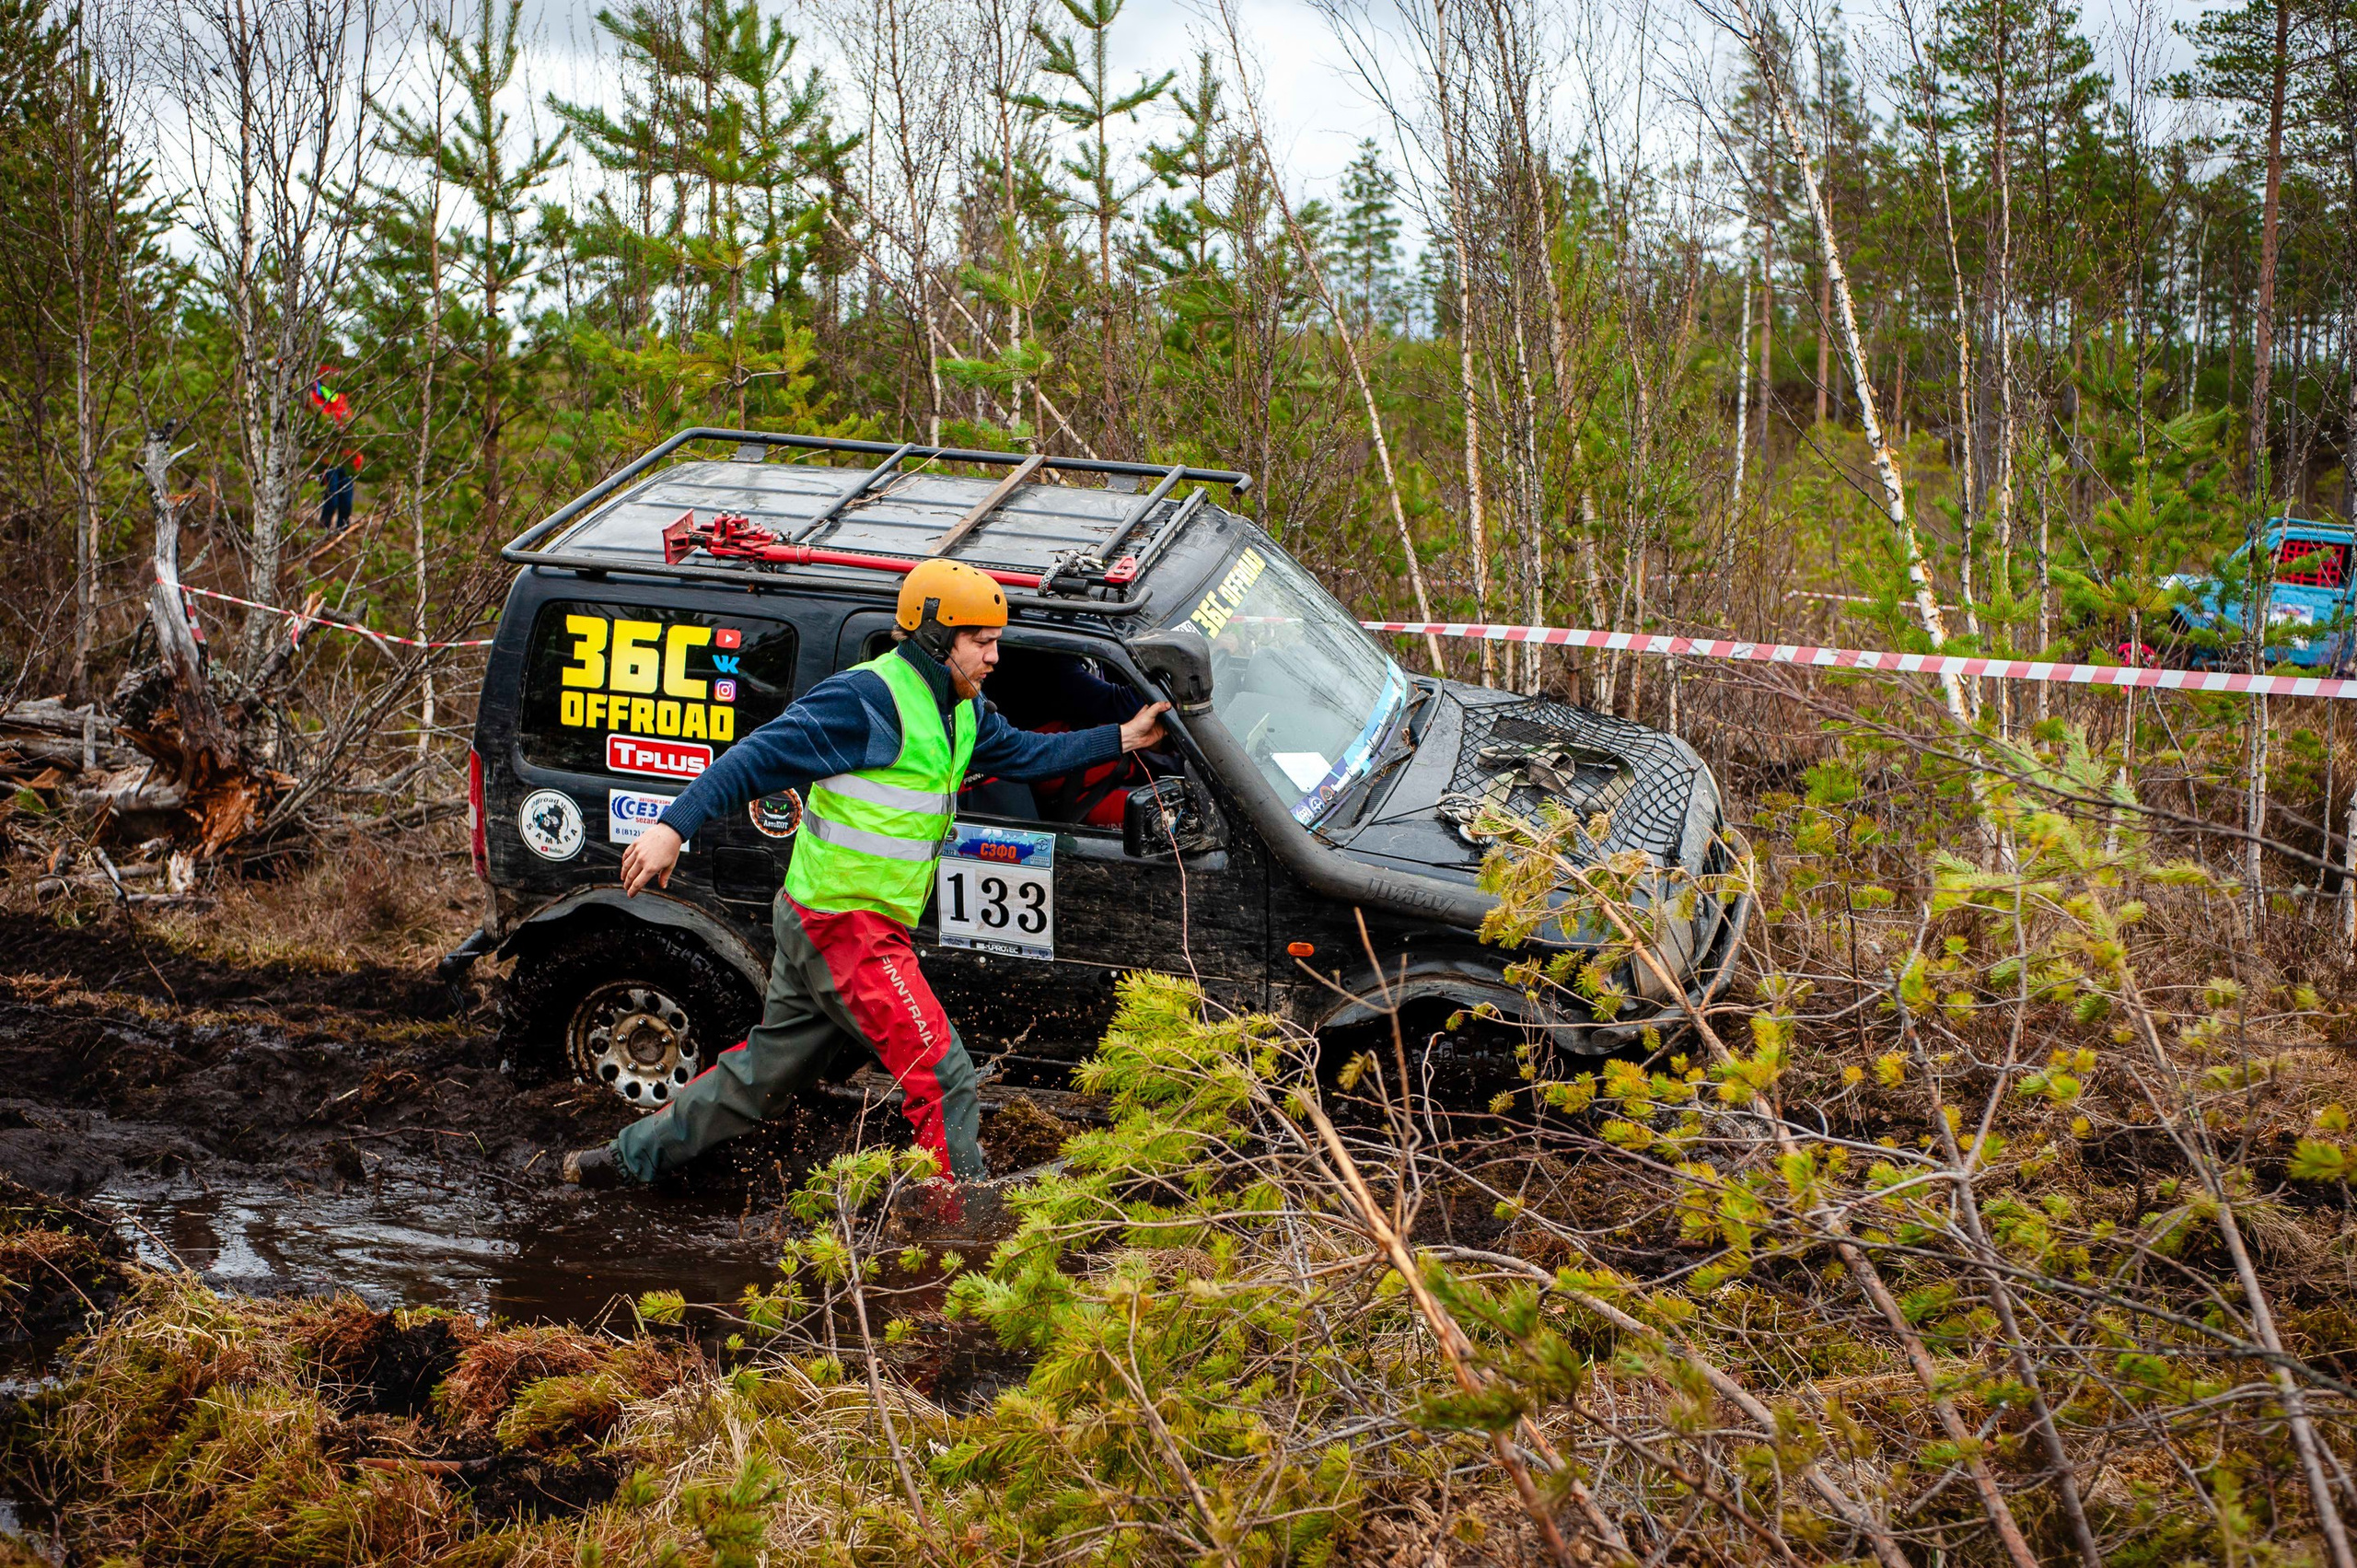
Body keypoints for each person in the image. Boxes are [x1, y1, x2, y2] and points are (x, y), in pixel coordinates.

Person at [561, 558, 1170, 1195]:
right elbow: (754, 757)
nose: (995, 655)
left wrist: (1123, 736)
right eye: (980, 641)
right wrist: (671, 827)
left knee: (763, 1077)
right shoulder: (866, 700)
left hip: (825, 915)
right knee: (944, 1079)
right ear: (937, 638)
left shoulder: (963, 709)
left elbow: (1025, 751)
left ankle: (621, 1161)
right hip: (845, 927)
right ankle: (957, 1238)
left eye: (996, 639)